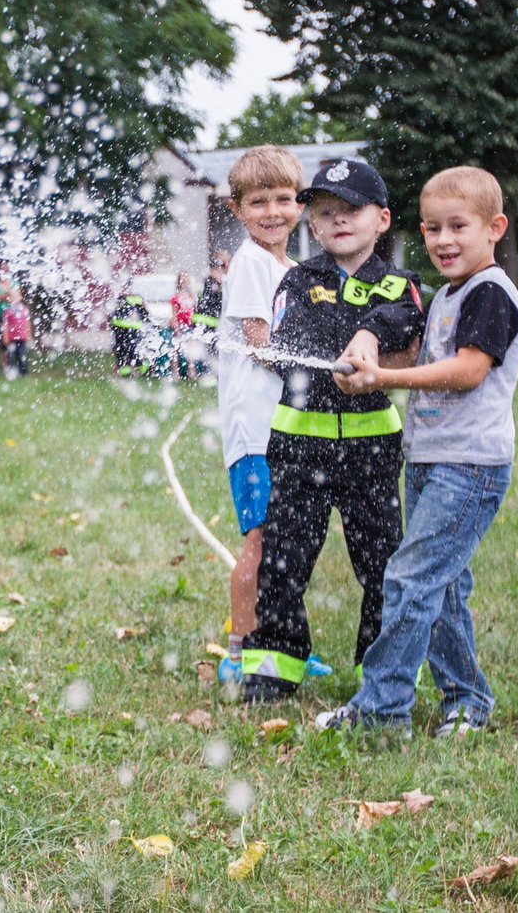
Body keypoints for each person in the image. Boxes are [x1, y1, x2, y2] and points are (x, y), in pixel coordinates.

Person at [315, 165, 518, 738]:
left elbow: (466, 370)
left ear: (494, 227)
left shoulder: (490, 292)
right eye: (432, 229)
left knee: (408, 579)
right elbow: (421, 361)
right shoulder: (448, 296)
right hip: (431, 459)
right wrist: (368, 370)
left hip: (470, 466)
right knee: (445, 585)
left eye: (458, 226)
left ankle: (381, 712)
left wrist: (386, 379)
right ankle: (467, 700)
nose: (443, 240)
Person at [241, 158, 425, 703]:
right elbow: (289, 341)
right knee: (284, 559)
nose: (338, 220)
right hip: (299, 446)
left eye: (352, 210)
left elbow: (409, 324)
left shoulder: (401, 283)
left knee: (382, 562)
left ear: (383, 219)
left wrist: (369, 334)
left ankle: (384, 668)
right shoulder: (298, 280)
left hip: (372, 449)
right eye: (325, 212)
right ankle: (275, 666)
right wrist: (360, 346)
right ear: (312, 226)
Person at [216, 144, 324, 686]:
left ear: (300, 204)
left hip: (283, 429)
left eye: (283, 199)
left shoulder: (292, 267)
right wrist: (321, 374)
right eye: (258, 202)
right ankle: (239, 650)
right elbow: (261, 343)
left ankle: (279, 643)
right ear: (237, 209)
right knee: (259, 539)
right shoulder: (253, 262)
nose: (272, 211)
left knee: (286, 541)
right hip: (254, 430)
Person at [192, 252, 230, 358]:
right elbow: (213, 299)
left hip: (212, 321)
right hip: (207, 320)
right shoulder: (211, 282)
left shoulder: (222, 282)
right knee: (210, 353)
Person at [109, 286, 151, 377]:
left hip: (132, 329)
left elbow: (144, 313)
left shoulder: (136, 299)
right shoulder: (119, 299)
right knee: (122, 351)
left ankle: (143, 366)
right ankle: (125, 371)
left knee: (132, 350)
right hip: (120, 328)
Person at [169, 272, 198, 381]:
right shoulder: (176, 298)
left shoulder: (191, 296)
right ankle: (175, 373)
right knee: (176, 350)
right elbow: (174, 315)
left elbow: (194, 311)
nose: (185, 282)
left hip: (189, 326)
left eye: (187, 279)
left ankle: (191, 372)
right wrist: (177, 328)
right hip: (180, 326)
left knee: (190, 350)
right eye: (183, 280)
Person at [2, 286, 32, 377]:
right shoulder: (7, 311)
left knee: (23, 355)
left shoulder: (25, 310)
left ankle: (23, 372)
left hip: (22, 337)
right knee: (11, 355)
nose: (14, 299)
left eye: (16, 296)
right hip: (12, 338)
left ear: (20, 297)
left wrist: (29, 335)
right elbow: (5, 325)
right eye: (11, 297)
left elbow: (28, 323)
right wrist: (5, 337)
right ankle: (11, 371)